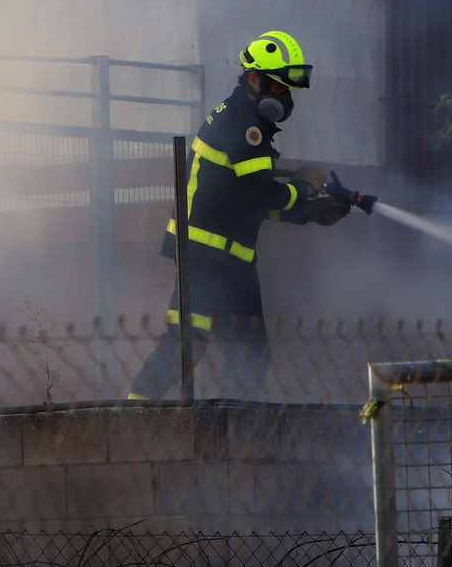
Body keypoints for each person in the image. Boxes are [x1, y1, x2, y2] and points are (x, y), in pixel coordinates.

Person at [126, 31, 350, 400]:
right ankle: (130, 422)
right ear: (253, 79)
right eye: (279, 88)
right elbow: (262, 193)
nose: (285, 99)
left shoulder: (246, 122)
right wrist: (305, 191)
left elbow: (248, 204)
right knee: (188, 346)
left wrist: (309, 213)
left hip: (229, 263)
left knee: (248, 355)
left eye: (287, 91)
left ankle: (230, 429)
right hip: (207, 260)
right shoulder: (243, 128)